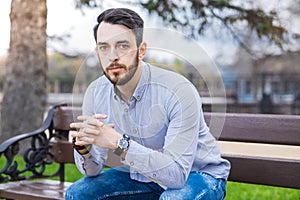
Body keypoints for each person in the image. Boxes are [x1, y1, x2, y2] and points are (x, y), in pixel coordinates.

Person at [65, 8, 230, 200]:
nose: (112, 56)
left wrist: (119, 143)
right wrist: (84, 147)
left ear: (141, 50)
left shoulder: (178, 90)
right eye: (104, 47)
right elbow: (92, 171)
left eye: (123, 46)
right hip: (142, 175)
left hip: (198, 175)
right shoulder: (95, 92)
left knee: (172, 199)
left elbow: (176, 176)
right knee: (79, 194)